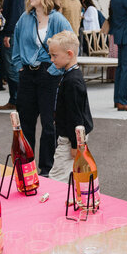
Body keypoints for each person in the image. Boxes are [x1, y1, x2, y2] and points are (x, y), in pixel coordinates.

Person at [11, 0, 72, 175]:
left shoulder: (58, 20)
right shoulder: (25, 18)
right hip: (28, 75)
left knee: (48, 124)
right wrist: (20, 66)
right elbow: (16, 43)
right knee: (26, 123)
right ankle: (25, 167)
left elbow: (70, 44)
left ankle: (46, 169)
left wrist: (55, 70)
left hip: (50, 75)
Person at [47, 30, 93, 183]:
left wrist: (75, 144)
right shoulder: (70, 75)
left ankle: (56, 203)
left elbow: (76, 116)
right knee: (72, 172)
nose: (52, 59)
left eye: (55, 55)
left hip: (70, 138)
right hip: (70, 135)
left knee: (57, 177)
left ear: (69, 53)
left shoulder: (72, 81)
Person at [0, 0, 25, 111]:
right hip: (10, 33)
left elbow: (15, 13)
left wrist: (8, 34)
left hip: (10, 34)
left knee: (12, 67)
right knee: (10, 67)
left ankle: (16, 99)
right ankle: (15, 99)